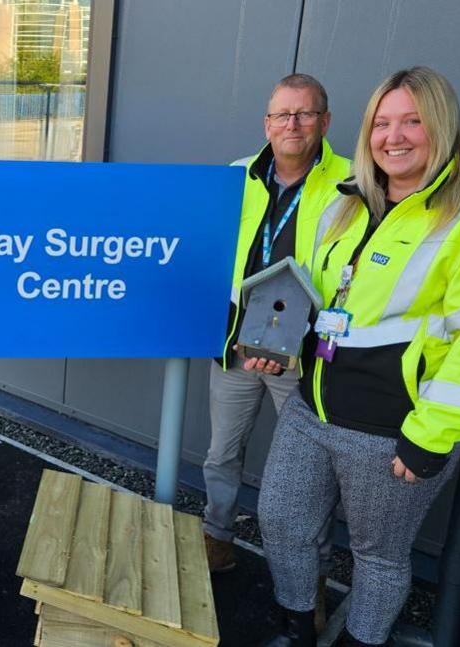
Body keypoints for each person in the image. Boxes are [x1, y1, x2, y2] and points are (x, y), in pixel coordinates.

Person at [254, 67, 460, 646]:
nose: (393, 136)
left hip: (393, 431)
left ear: (443, 126)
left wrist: (431, 435)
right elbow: (319, 298)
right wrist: (277, 347)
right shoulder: (349, 205)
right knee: (281, 522)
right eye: (382, 123)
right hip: (312, 412)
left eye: (412, 121)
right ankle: (298, 625)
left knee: (378, 559)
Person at [203, 74, 349, 614]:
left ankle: (308, 579)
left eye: (305, 114)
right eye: (282, 114)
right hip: (238, 347)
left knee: (311, 475)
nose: (292, 124)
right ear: (266, 123)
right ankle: (217, 540)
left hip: (304, 357)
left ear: (325, 121)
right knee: (222, 453)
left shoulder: (354, 183)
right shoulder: (238, 176)